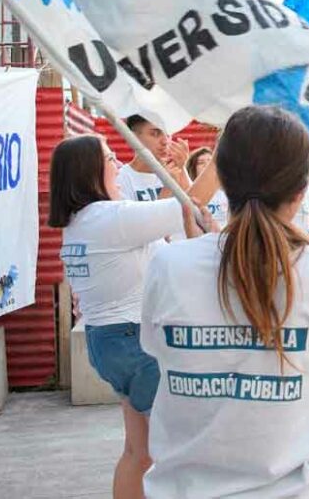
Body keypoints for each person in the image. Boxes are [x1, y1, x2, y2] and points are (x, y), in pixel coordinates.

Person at [140, 106, 309, 498]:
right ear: (301, 191)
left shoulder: (168, 264)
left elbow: (156, 349)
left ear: (223, 181)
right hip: (302, 485)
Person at [48, 134, 208, 499]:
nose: (118, 164)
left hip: (107, 344)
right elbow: (193, 204)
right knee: (180, 454)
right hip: (136, 342)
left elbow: (156, 218)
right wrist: (225, 152)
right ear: (89, 172)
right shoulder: (109, 218)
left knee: (139, 452)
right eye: (108, 158)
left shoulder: (81, 222)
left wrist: (176, 172)